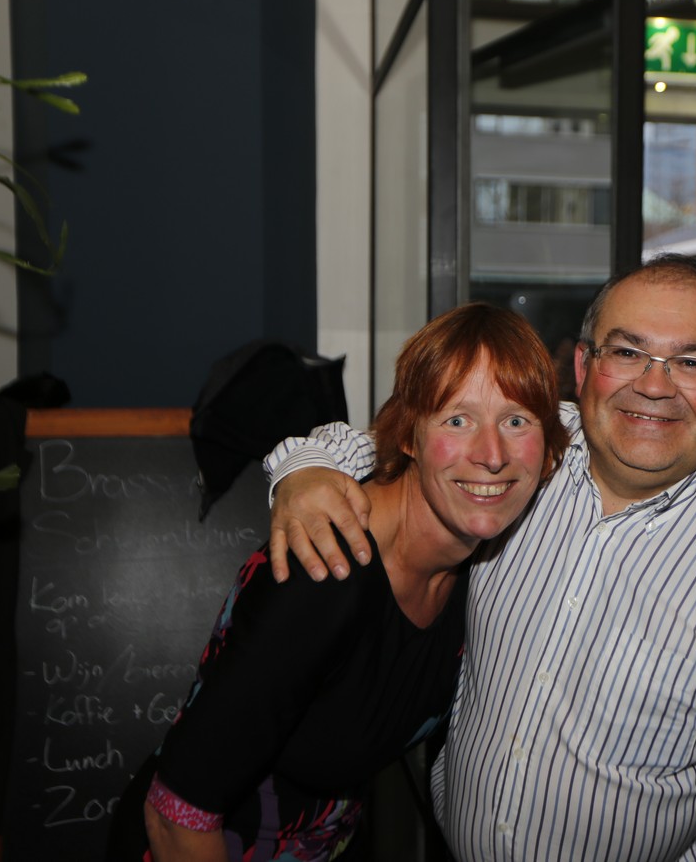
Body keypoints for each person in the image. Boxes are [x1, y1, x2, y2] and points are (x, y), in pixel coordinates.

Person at [265, 253, 696, 860]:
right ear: (583, 367)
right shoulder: (520, 451)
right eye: (627, 352)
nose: (654, 385)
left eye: (691, 362)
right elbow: (393, 440)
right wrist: (303, 473)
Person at [107, 302, 568, 862]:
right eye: (457, 419)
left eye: (516, 421)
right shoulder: (328, 570)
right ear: (408, 436)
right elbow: (176, 817)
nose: (492, 455)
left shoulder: (479, 564)